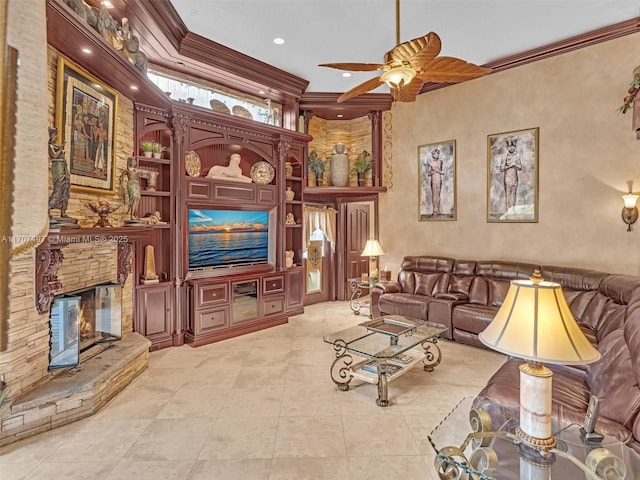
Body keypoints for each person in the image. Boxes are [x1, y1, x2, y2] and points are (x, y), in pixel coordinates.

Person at [48, 127, 71, 218]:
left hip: (63, 166)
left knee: (66, 188)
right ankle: (48, 208)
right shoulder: (50, 146)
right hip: (58, 167)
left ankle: (63, 212)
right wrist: (61, 148)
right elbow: (54, 155)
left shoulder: (55, 146)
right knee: (58, 188)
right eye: (54, 135)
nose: (56, 137)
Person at [499, 137, 522, 212]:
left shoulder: (517, 156)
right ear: (507, 147)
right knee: (508, 194)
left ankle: (513, 210)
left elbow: (520, 167)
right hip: (507, 177)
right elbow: (502, 168)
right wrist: (510, 165)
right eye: (510, 146)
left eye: (513, 146)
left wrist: (514, 164)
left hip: (515, 177)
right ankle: (508, 210)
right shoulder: (504, 156)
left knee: (514, 193)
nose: (511, 148)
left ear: (515, 147)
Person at [427, 148, 445, 215]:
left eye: (438, 153)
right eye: (435, 154)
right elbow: (428, 173)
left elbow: (443, 172)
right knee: (434, 194)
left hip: (439, 179)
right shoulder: (430, 163)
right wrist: (434, 171)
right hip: (433, 179)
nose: (437, 155)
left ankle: (438, 210)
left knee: (438, 194)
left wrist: (438, 171)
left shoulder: (441, 161)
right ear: (433, 155)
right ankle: (434, 210)